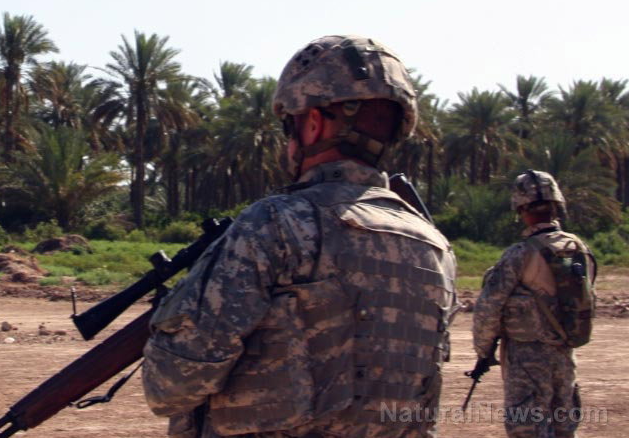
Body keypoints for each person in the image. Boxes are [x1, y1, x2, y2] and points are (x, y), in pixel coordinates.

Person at [141, 35, 458, 438]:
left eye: (288, 125)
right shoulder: (436, 248)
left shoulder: (275, 223)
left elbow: (171, 386)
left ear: (313, 122)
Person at [472, 170, 596, 438]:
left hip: (526, 360)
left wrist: (483, 350)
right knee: (564, 429)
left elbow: (488, 308)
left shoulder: (520, 254)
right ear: (556, 205)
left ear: (521, 210)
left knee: (527, 429)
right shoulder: (580, 249)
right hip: (565, 357)